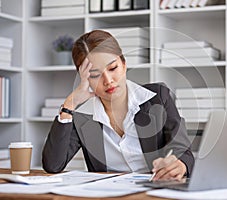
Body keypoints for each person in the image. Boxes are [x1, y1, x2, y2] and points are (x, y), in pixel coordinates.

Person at [42, 30, 194, 181]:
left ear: (124, 64)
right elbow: (53, 165)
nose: (108, 80)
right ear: (84, 79)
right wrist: (70, 104)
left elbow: (183, 152)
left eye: (113, 68)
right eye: (95, 75)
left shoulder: (159, 97)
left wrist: (179, 165)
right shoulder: (83, 116)